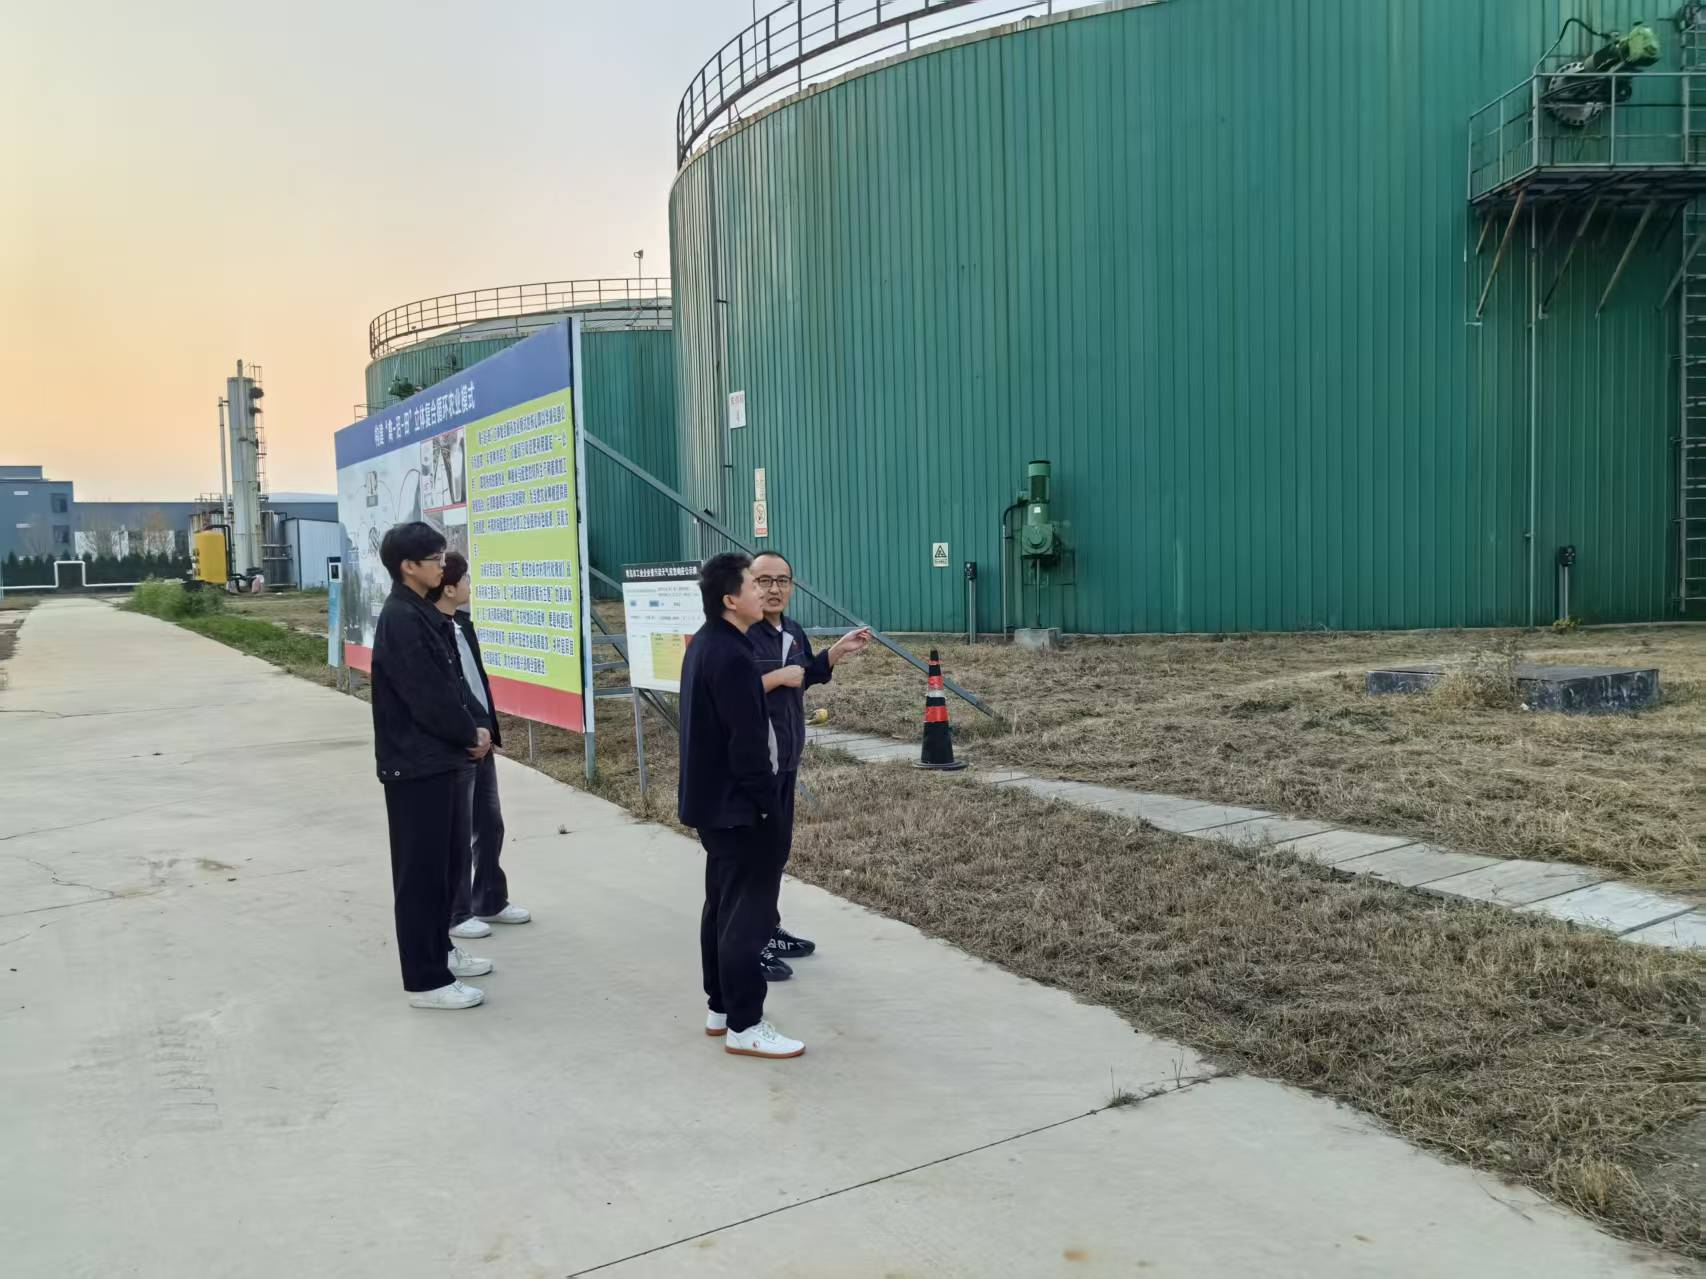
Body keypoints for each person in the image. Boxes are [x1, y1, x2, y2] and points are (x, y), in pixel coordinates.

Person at [678, 552, 801, 1059]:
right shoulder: (731, 657)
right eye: (754, 584)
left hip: (715, 806)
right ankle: (746, 1023)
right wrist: (768, 806)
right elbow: (747, 746)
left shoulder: (709, 644)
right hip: (740, 809)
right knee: (747, 918)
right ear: (731, 599)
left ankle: (722, 1008)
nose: (764, 593)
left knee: (722, 907)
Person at [370, 522, 495, 1011]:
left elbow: (451, 686)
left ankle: (440, 951)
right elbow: (427, 696)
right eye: (436, 559)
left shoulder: (422, 612)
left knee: (443, 869)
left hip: (437, 760)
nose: (444, 567)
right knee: (420, 876)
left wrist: (475, 728)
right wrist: (469, 734)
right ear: (408, 566)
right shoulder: (402, 618)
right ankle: (425, 980)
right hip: (416, 766)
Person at [748, 551, 872, 980]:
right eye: (764, 580)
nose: (774, 589)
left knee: (776, 852)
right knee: (752, 858)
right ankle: (749, 945)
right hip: (754, 767)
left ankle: (768, 928)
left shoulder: (792, 631)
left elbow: (806, 675)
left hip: (786, 761)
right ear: (748, 585)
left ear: (792, 586)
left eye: (782, 580)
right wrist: (776, 678)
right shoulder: (740, 636)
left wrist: (834, 653)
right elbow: (727, 691)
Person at [433, 552, 531, 941]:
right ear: (449, 588)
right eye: (465, 580)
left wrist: (488, 729)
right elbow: (446, 693)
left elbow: (476, 684)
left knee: (489, 824)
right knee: (458, 832)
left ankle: (489, 898)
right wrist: (468, 732)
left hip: (481, 738)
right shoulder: (431, 631)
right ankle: (457, 913)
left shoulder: (462, 625)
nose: (470, 586)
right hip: (459, 742)